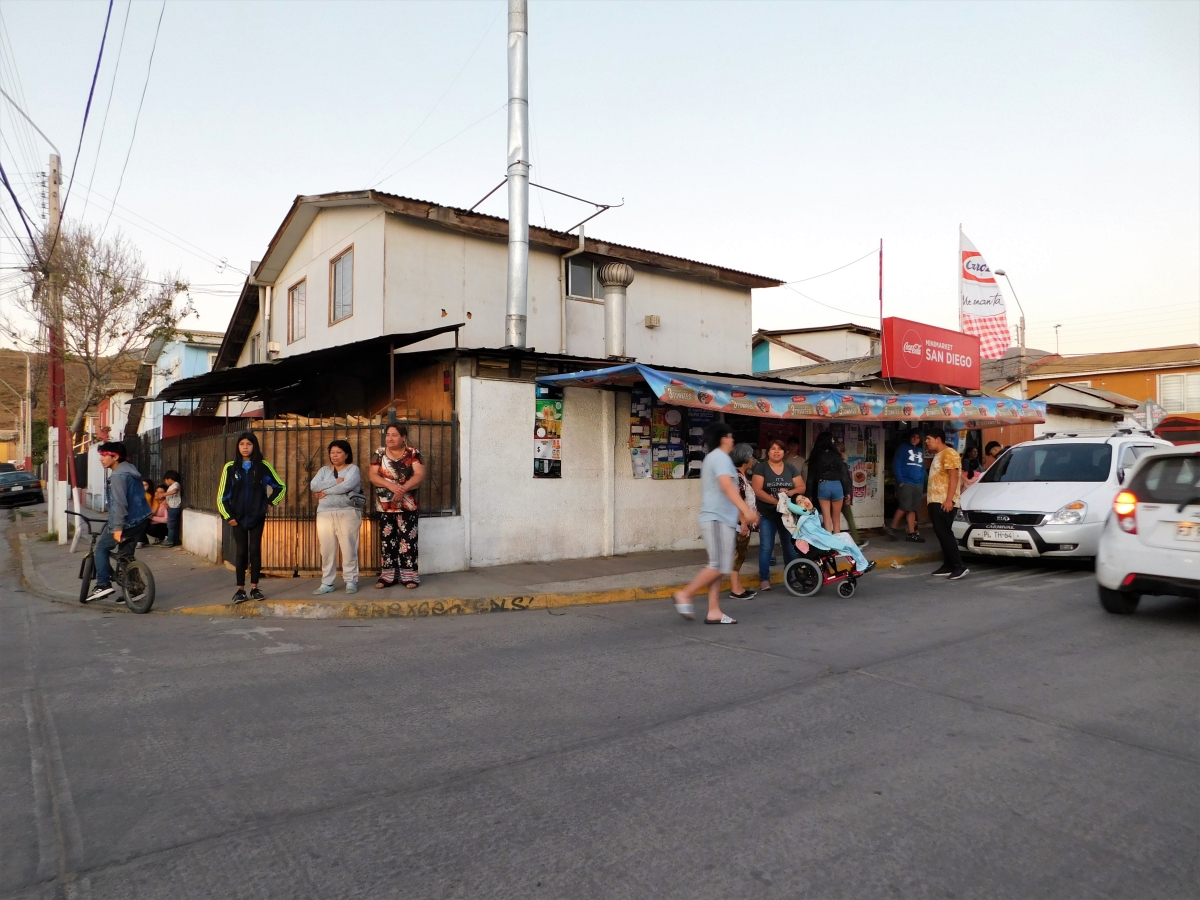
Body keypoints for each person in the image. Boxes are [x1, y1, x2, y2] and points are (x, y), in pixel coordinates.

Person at [673, 422, 758, 624]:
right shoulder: (720, 458)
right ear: (723, 438)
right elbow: (727, 487)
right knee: (720, 565)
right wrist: (746, 511)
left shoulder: (718, 459)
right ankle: (685, 594)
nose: (733, 440)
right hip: (717, 519)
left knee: (718, 565)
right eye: (730, 436)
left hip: (720, 519)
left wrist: (740, 515)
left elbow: (726, 492)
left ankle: (714, 611)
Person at [217, 432, 287, 603]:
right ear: (237, 447)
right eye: (242, 444)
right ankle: (240, 590)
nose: (245, 447)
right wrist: (229, 516)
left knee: (255, 550)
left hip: (257, 516)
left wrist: (269, 503)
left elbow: (280, 487)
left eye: (249, 444)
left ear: (254, 446)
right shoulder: (230, 468)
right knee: (241, 552)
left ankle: (255, 587)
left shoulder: (263, 466)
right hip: (237, 518)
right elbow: (222, 497)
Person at [85, 441, 152, 603]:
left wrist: (117, 527)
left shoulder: (118, 476)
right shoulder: (131, 470)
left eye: (104, 455)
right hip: (141, 520)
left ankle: (103, 584)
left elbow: (120, 503)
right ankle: (136, 590)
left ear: (115, 457)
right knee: (125, 556)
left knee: (100, 548)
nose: (101, 459)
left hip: (127, 522)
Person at [369, 423, 425, 589]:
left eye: (394, 435)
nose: (390, 438)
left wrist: (403, 489)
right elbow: (372, 476)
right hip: (385, 506)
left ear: (403, 438)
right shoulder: (379, 453)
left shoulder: (413, 453)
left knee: (408, 541)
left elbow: (419, 475)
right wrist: (392, 486)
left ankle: (410, 577)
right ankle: (387, 577)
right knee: (387, 541)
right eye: (388, 435)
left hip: (408, 506)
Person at [310, 439, 363, 595]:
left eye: (339, 452)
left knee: (349, 547)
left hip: (347, 511)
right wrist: (334, 481)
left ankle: (351, 581)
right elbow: (313, 485)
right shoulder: (324, 470)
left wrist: (325, 491)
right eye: (332, 452)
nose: (335, 455)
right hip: (325, 512)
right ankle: (327, 582)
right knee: (326, 549)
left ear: (346, 454)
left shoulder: (353, 469)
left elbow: (347, 486)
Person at [751, 438, 805, 592]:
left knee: (789, 547)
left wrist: (790, 492)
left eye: (779, 449)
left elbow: (801, 486)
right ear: (768, 452)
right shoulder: (761, 468)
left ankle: (792, 577)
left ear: (784, 452)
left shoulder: (790, 468)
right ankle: (764, 579)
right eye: (773, 449)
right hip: (768, 514)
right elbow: (758, 490)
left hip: (787, 515)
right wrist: (777, 502)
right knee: (766, 547)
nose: (776, 451)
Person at [925, 428, 968, 580]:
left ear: (938, 439)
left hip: (944, 501)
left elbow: (954, 477)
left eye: (929, 438)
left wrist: (949, 499)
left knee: (945, 533)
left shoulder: (949, 453)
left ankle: (959, 566)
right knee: (940, 533)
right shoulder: (938, 455)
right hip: (935, 500)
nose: (927, 442)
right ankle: (948, 565)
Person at [728, 443, 759, 600]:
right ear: (745, 459)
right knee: (738, 554)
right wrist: (744, 523)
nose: (753, 459)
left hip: (741, 523)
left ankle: (738, 586)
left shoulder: (741, 476)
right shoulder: (737, 478)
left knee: (741, 554)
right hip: (739, 524)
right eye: (751, 456)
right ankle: (735, 588)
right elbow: (737, 501)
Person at [889, 430, 926, 543]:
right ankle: (892, 528)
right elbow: (896, 464)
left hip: (918, 483)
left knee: (913, 509)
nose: (915, 439)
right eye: (913, 437)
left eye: (918, 438)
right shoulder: (903, 448)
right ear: (910, 437)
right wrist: (900, 481)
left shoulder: (920, 451)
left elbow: (922, 469)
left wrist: (923, 483)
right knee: (904, 506)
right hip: (906, 482)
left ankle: (911, 533)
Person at [807, 431, 845, 534]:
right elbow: (843, 474)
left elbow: (810, 477)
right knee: (836, 520)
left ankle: (829, 547)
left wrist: (809, 494)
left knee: (827, 520)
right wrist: (848, 491)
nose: (833, 441)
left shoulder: (816, 456)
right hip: (837, 485)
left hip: (823, 485)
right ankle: (838, 545)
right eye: (832, 439)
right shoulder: (837, 455)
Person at [835, 443, 868, 549]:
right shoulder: (842, 465)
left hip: (834, 495)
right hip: (843, 496)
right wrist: (848, 494)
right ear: (841, 453)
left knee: (830, 520)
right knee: (848, 518)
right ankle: (856, 541)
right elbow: (845, 481)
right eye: (844, 452)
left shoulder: (830, 465)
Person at [162, 470, 182, 547]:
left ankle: (170, 540)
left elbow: (175, 491)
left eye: (165, 481)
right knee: (173, 524)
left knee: (171, 525)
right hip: (171, 507)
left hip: (174, 507)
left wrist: (163, 494)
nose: (166, 483)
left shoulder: (175, 485)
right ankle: (175, 540)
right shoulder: (171, 487)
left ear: (169, 479)